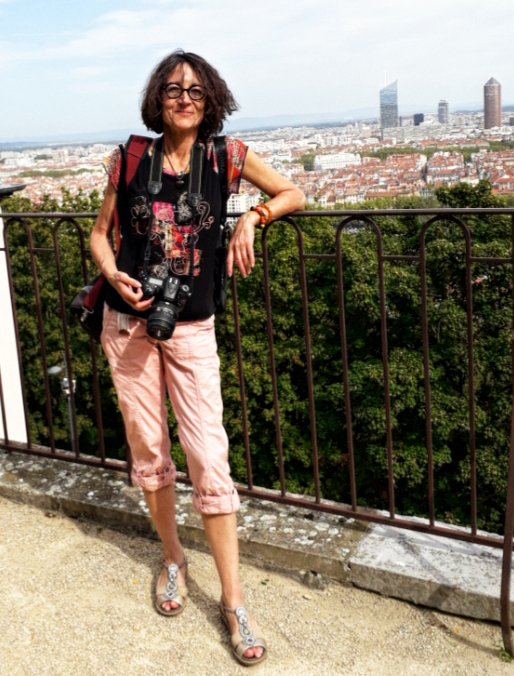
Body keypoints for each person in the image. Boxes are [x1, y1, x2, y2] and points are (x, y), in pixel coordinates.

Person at [90, 49, 305, 666]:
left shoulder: (226, 157)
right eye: (172, 89)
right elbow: (100, 234)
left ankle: (234, 601)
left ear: (210, 99)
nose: (183, 98)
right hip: (127, 322)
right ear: (156, 100)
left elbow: (293, 192)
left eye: (194, 90)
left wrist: (252, 218)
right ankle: (173, 560)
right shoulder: (129, 158)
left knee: (209, 455)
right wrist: (113, 273)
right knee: (149, 449)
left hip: (191, 327)